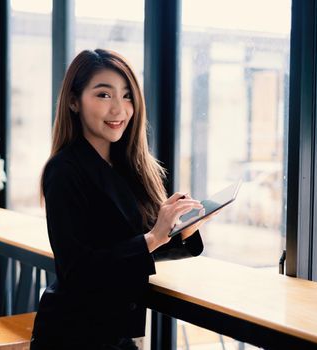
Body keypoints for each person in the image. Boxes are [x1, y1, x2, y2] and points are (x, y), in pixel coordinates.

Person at [31, 49, 217, 350]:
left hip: (116, 334)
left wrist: (184, 228)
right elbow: (76, 271)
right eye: (104, 95)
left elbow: (136, 248)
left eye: (127, 95)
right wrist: (153, 237)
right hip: (72, 335)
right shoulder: (64, 170)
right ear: (74, 101)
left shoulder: (129, 167)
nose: (119, 108)